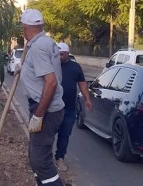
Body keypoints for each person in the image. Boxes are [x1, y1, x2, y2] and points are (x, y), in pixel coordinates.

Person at [17, 9, 65, 186]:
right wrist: (25, 70)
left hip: (46, 110)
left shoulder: (38, 47)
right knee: (35, 156)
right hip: (49, 108)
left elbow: (50, 82)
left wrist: (39, 115)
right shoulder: (47, 43)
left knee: (41, 161)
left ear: (26, 28)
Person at [54, 42, 92, 171]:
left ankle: (60, 158)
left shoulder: (75, 67)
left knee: (64, 135)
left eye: (62, 54)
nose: (59, 56)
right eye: (57, 54)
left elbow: (82, 83)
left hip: (69, 108)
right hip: (52, 108)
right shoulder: (51, 66)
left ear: (68, 54)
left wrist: (87, 99)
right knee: (48, 134)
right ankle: (43, 159)